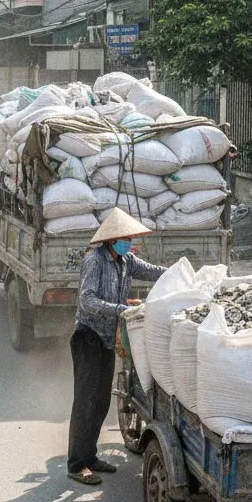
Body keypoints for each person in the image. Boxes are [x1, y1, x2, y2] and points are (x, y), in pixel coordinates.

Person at [68, 208, 166, 486]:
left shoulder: (125, 260)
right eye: (126, 237)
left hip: (107, 338)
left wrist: (179, 272)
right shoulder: (94, 261)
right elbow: (87, 301)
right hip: (88, 337)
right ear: (112, 239)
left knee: (101, 402)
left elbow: (151, 271)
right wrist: (122, 309)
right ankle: (76, 464)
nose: (130, 241)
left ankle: (91, 455)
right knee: (85, 402)